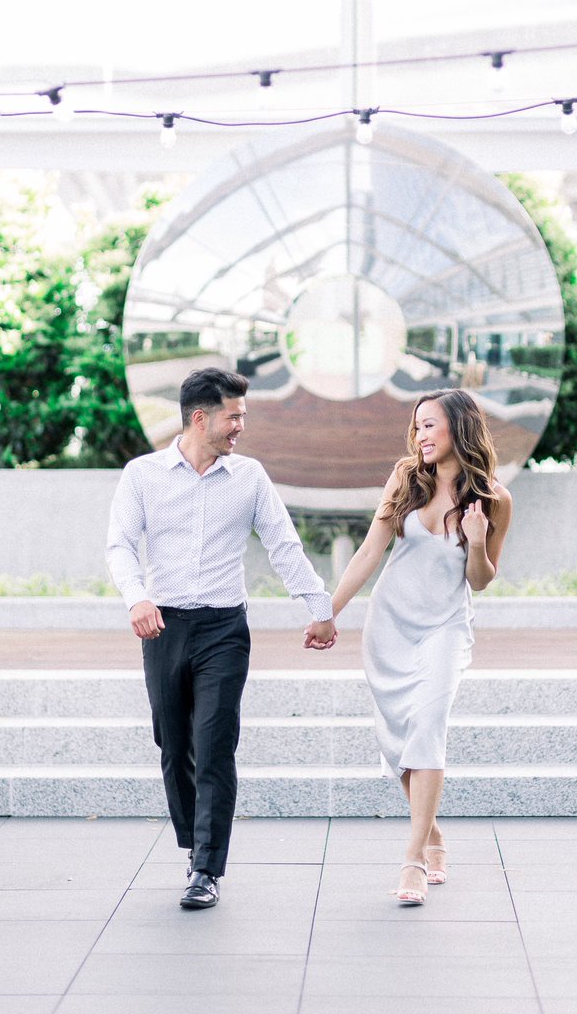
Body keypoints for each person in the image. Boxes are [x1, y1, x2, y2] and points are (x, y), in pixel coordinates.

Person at [106, 367, 336, 911]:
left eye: (242, 416)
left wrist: (319, 606)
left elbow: (283, 544)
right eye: (234, 416)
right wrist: (136, 597)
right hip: (162, 625)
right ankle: (194, 845)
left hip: (224, 629)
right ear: (200, 416)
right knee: (173, 744)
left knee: (214, 744)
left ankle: (207, 867)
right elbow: (119, 545)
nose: (240, 426)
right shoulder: (142, 475)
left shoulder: (249, 477)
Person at [310, 388, 512, 906]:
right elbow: (370, 551)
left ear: (458, 428)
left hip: (444, 628)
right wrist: (328, 611)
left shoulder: (493, 498)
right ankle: (435, 836)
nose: (421, 435)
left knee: (428, 726)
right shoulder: (405, 478)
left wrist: (476, 535)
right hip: (391, 626)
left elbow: (482, 580)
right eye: (417, 426)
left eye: (430, 425)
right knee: (398, 741)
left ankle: (413, 858)